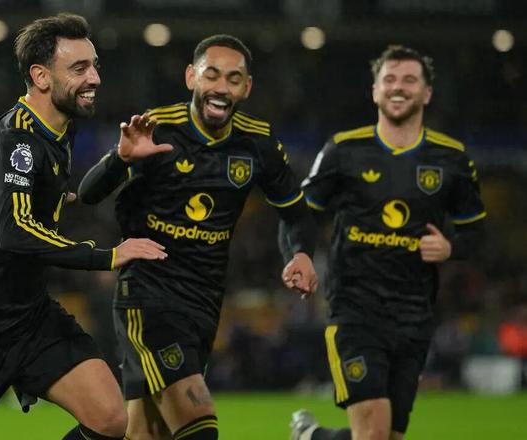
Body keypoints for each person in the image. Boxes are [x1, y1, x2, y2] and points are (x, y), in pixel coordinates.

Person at [0, 13, 169, 440]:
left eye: (94, 65)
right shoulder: (17, 138)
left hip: (31, 317)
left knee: (110, 420)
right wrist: (107, 256)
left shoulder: (58, 130)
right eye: (79, 68)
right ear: (41, 76)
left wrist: (118, 161)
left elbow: (68, 196)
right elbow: (15, 232)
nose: (95, 78)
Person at [78, 34, 318, 440]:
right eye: (212, 75)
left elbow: (296, 214)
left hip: (204, 304)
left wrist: (302, 254)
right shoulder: (158, 127)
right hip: (148, 298)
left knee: (145, 434)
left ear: (246, 87)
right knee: (198, 424)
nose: (221, 87)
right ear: (192, 77)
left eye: (233, 79)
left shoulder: (257, 143)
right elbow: (88, 194)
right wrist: (119, 160)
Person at [286, 45, 487, 440]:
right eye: (389, 79)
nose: (398, 87)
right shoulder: (343, 150)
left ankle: (311, 436)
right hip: (354, 310)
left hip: (415, 315)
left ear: (427, 93)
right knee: (374, 433)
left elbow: (476, 232)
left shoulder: (452, 159)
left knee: (387, 437)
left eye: (410, 80)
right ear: (375, 90)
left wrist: (451, 247)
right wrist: (300, 254)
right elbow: (300, 213)